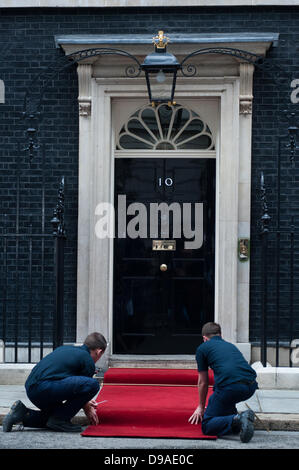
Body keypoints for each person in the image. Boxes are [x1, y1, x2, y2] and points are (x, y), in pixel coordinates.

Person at [2, 332, 107, 433]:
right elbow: (85, 387)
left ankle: (21, 414)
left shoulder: (65, 348)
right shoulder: (87, 359)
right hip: (45, 388)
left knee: (57, 416)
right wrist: (87, 407)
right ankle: (60, 420)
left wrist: (85, 402)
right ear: (99, 351)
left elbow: (72, 383)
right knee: (93, 384)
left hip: (32, 390)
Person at [188, 322, 258, 443]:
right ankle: (237, 423)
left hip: (231, 388)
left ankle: (239, 418)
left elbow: (203, 382)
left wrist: (201, 406)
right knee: (223, 400)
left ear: (204, 338)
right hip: (251, 386)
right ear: (220, 335)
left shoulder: (202, 348)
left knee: (207, 425)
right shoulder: (230, 346)